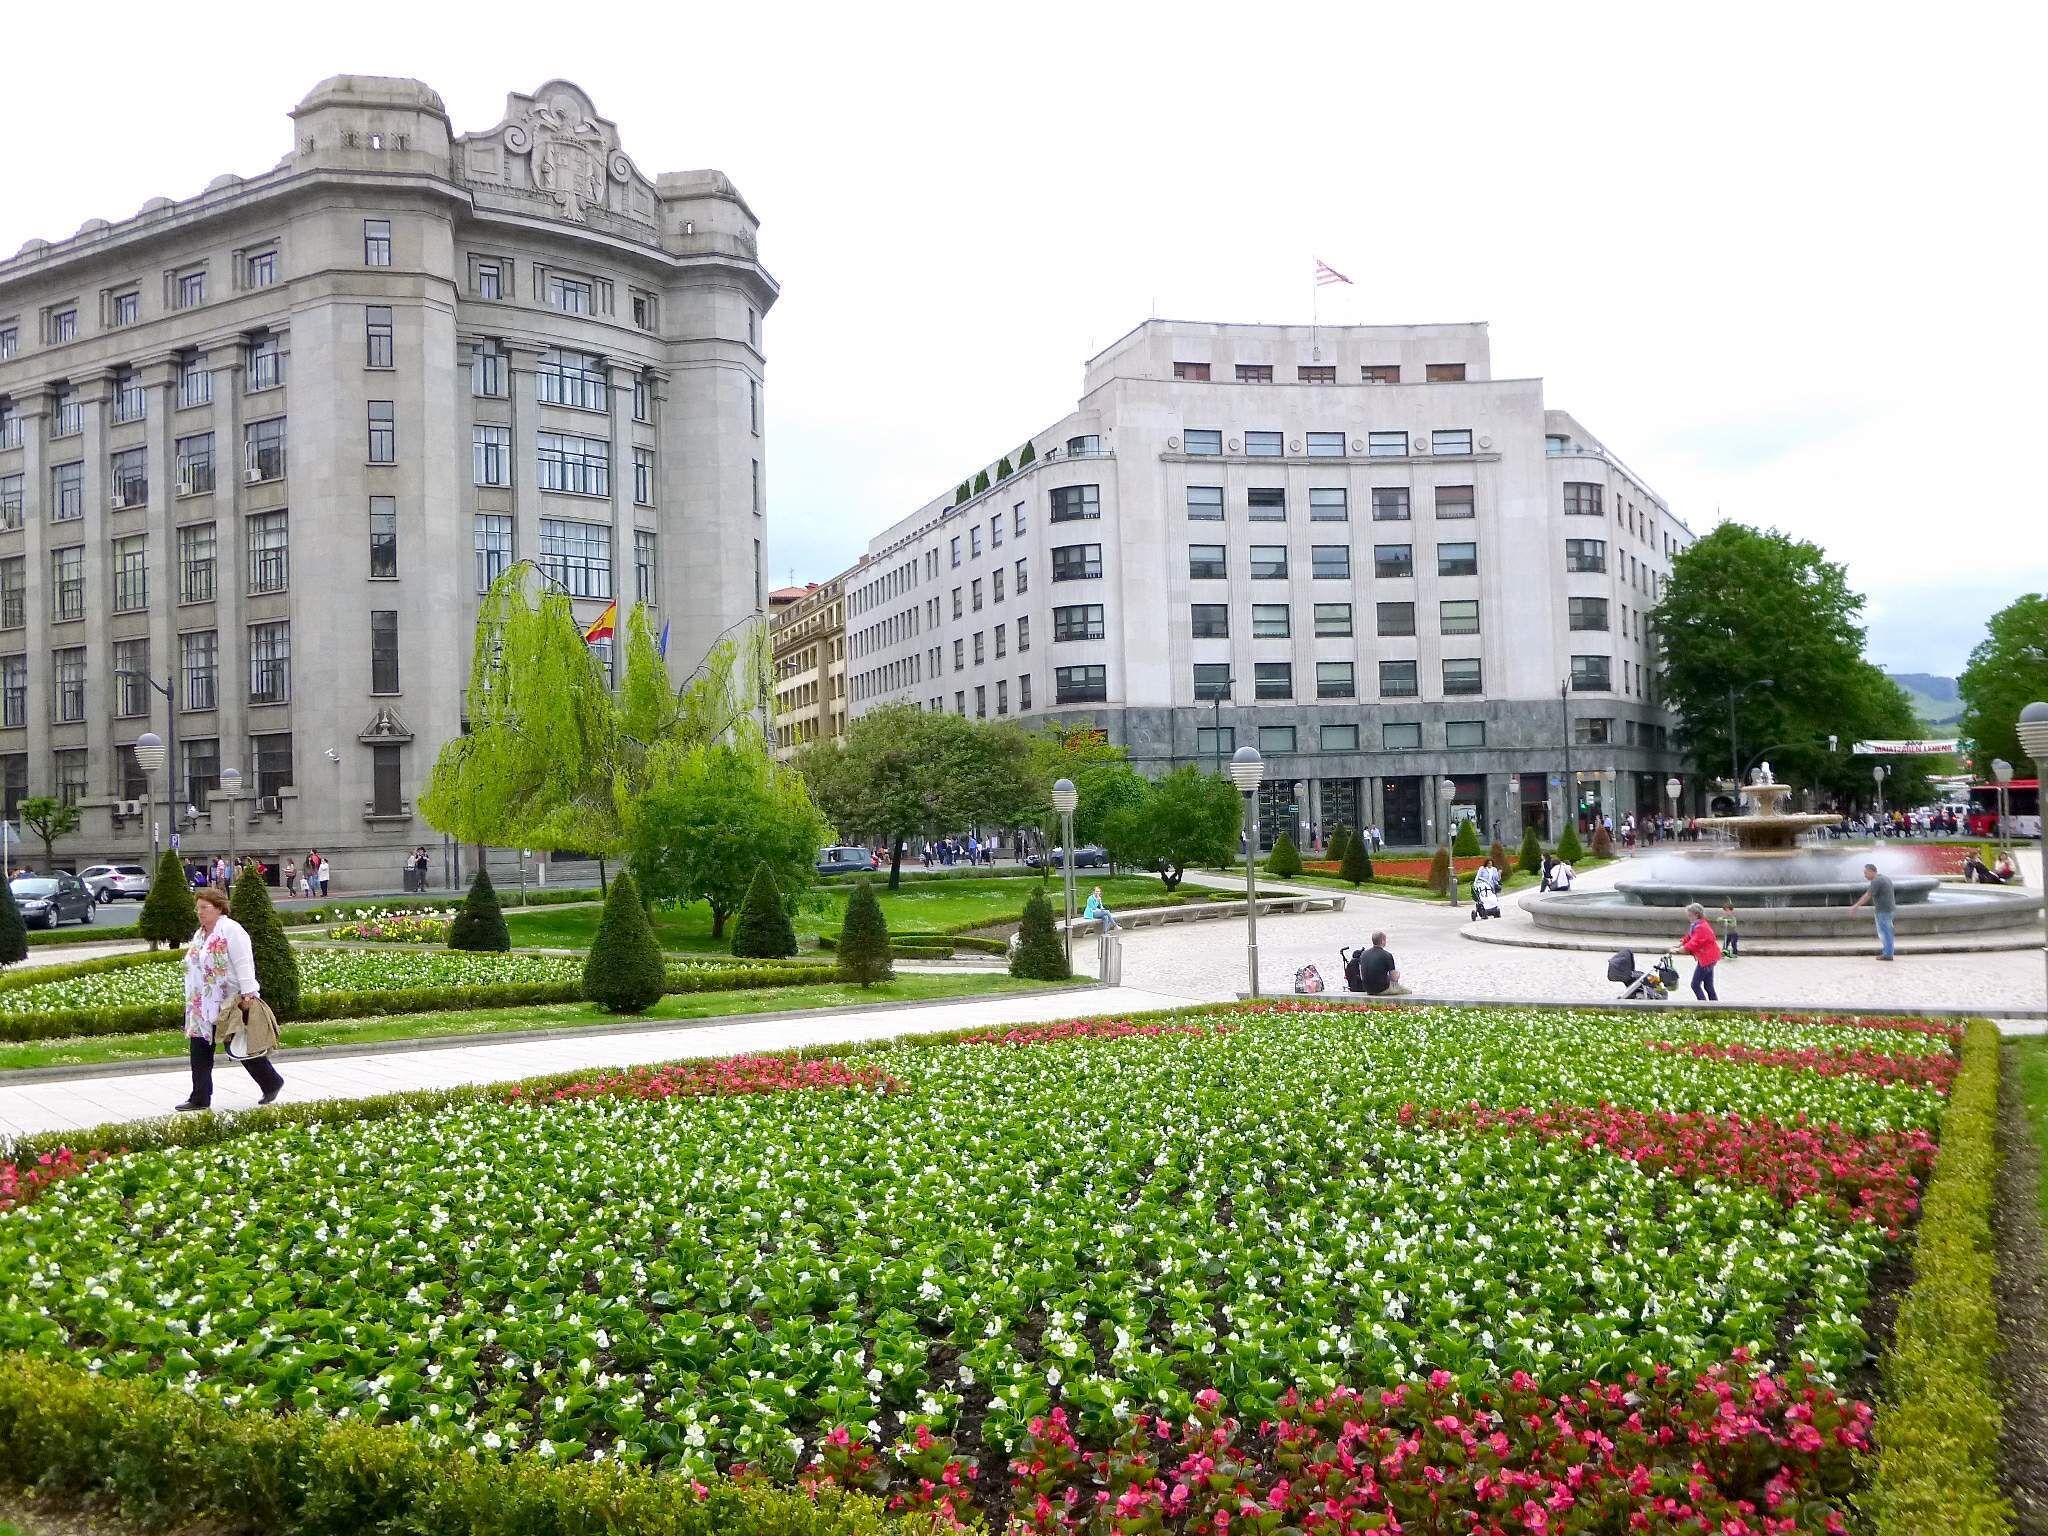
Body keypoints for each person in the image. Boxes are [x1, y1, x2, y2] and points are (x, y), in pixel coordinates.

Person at [175, 886, 284, 1112]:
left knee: (238, 1045)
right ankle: (200, 1097)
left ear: (219, 908)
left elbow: (244, 963)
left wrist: (249, 994)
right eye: (198, 909)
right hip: (201, 1003)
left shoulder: (231, 930)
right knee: (199, 1049)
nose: (200, 913)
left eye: (204, 908)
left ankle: (271, 1081)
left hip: (228, 1001)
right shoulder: (200, 934)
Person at [1848, 862, 1896, 960]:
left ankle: (1888, 954)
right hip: (1889, 909)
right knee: (1887, 931)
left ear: (1871, 871)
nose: (1864, 875)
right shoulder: (1884, 878)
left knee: (1885, 932)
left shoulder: (1876, 881)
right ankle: (1888, 952)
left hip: (1883, 911)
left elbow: (1867, 895)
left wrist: (1855, 906)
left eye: (1866, 873)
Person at [1678, 902, 1721, 1001]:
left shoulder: (1701, 927)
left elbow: (1695, 942)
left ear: (1696, 914)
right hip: (1711, 958)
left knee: (1695, 985)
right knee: (1708, 985)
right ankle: (1715, 1006)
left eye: (1690, 915)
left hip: (1706, 958)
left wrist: (1683, 949)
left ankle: (1703, 1005)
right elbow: (1690, 936)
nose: (1688, 917)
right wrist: (1681, 943)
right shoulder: (1698, 924)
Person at [1356, 931, 1407, 996]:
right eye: (1385, 940)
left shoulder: (1363, 954)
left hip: (1367, 989)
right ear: (1383, 941)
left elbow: (1361, 974)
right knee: (1408, 992)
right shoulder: (1387, 955)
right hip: (1382, 990)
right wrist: (1398, 974)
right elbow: (1394, 978)